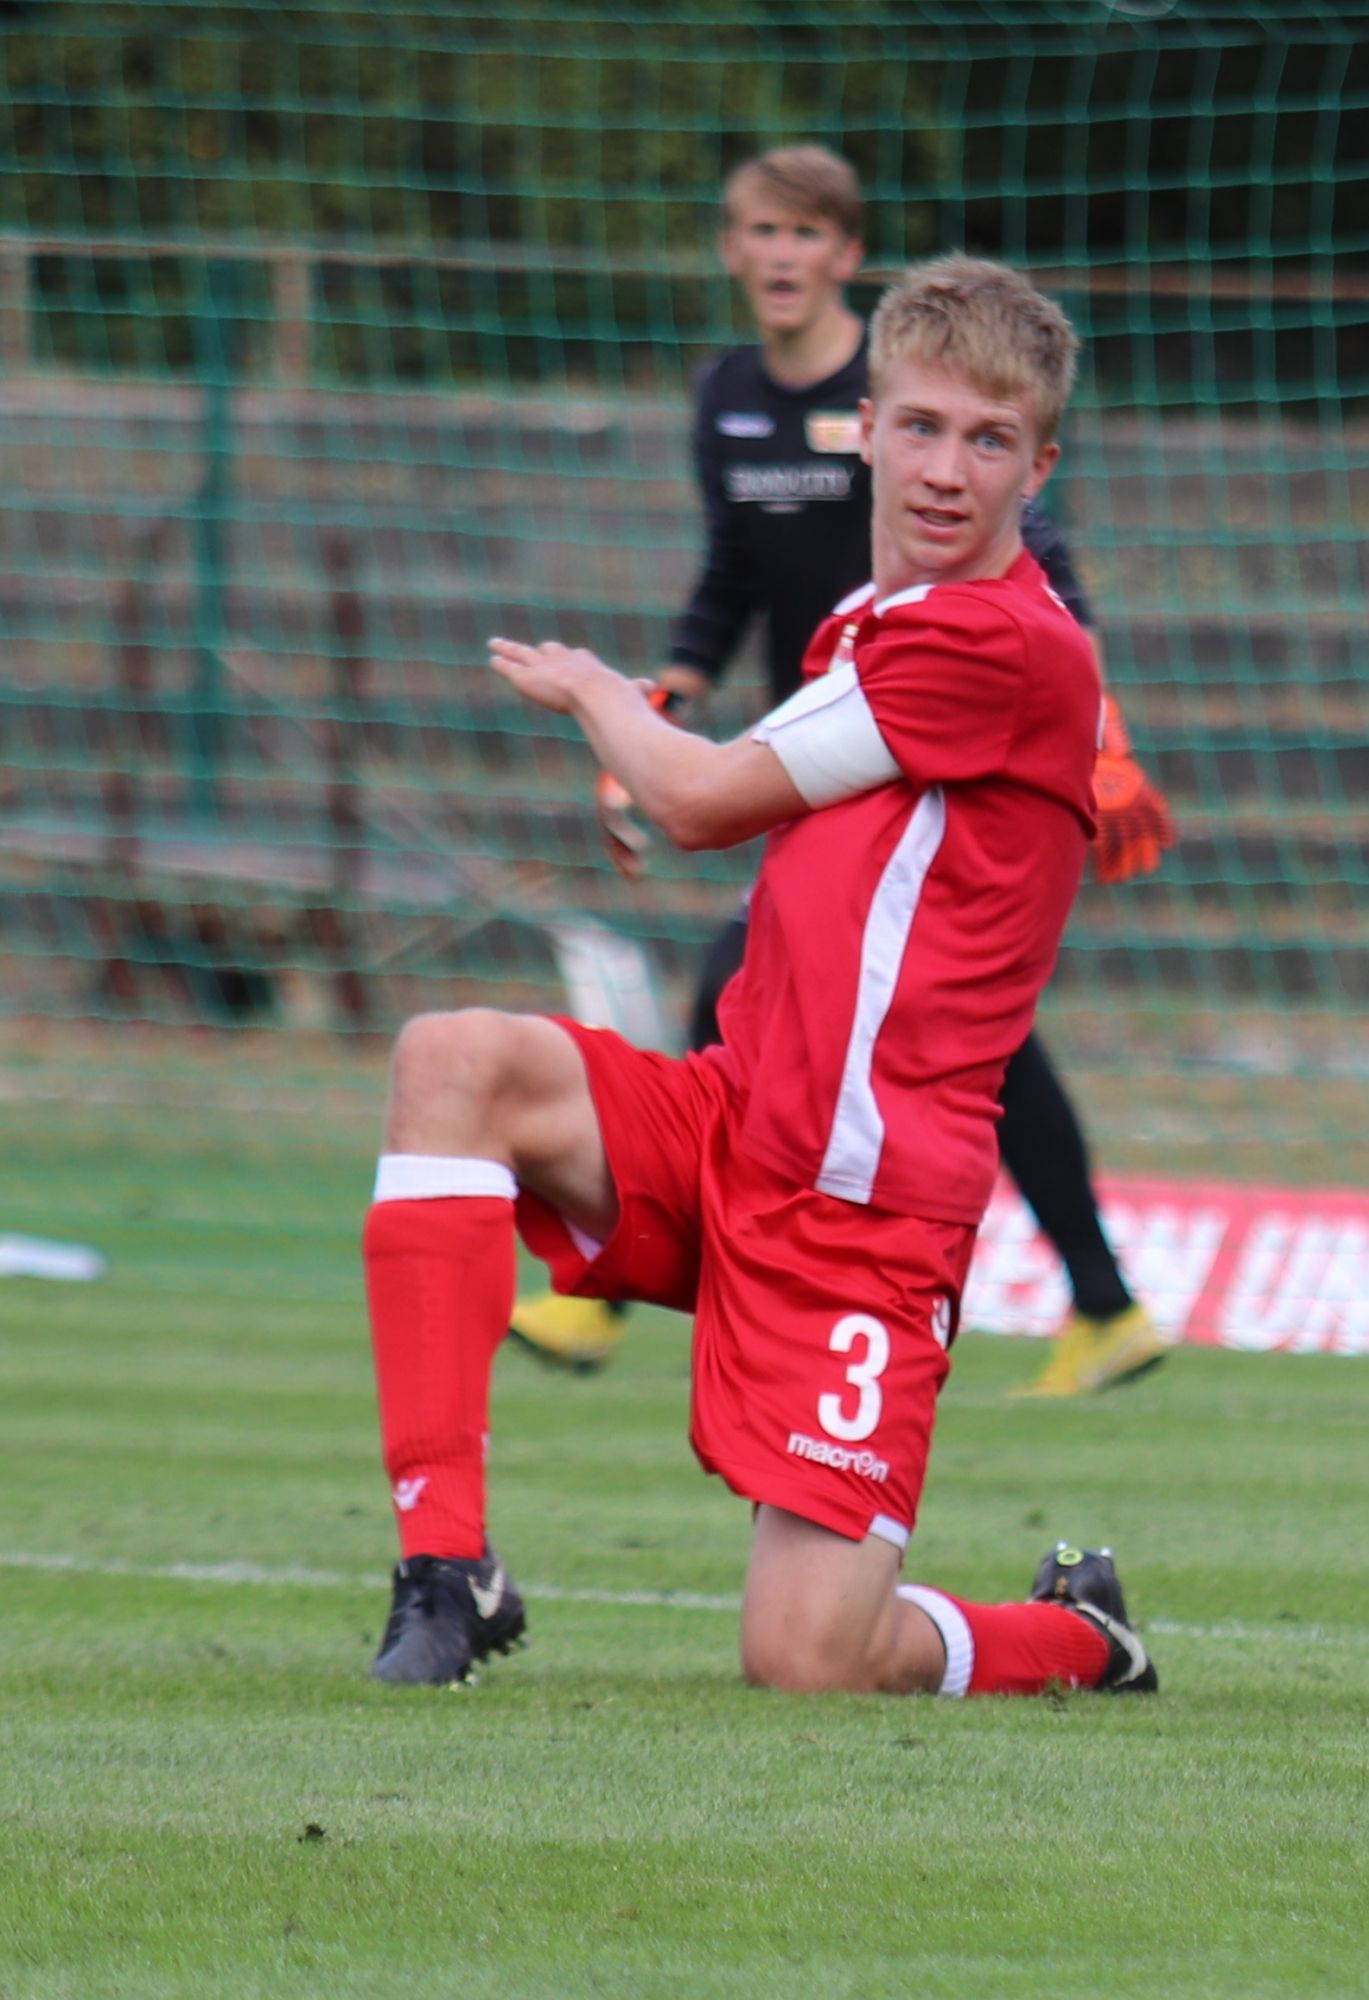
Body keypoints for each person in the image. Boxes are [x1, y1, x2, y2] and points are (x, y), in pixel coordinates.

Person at [363, 256, 1158, 1695]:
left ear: (1040, 465)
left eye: (990, 441)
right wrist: (665, 752)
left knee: (809, 1659)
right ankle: (445, 1574)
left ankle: (1083, 1636)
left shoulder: (999, 638)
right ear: (866, 427)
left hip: (866, 1212)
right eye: (918, 425)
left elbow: (701, 803)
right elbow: (756, 803)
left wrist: (607, 700)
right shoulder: (875, 621)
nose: (945, 469)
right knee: (453, 1060)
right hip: (732, 1123)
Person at [505, 145, 1172, 1401]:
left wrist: (1106, 744)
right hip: (823, 731)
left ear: (845, 255)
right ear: (729, 247)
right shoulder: (729, 399)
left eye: (805, 233)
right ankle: (1102, 1301)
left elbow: (1043, 581)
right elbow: (731, 576)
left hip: (933, 744)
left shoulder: (941, 383)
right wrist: (669, 699)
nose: (779, 255)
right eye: (758, 229)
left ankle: (644, 1271)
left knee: (808, 999)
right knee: (924, 1032)